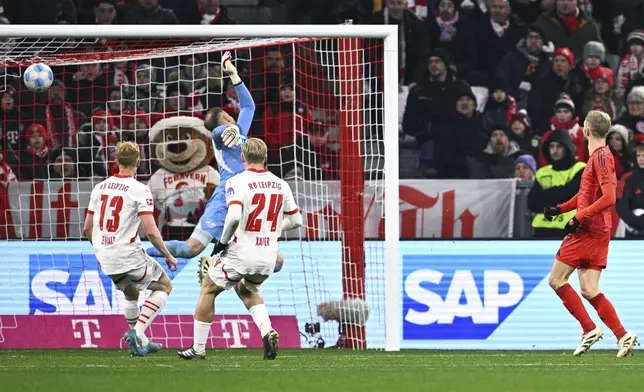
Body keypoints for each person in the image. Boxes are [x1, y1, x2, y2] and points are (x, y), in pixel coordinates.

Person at [177, 138, 302, 360]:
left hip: (240, 252)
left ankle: (197, 348)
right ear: (265, 158)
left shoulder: (237, 181)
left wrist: (222, 241)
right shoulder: (281, 184)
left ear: (243, 157)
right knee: (247, 290)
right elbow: (296, 221)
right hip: (267, 257)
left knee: (208, 288)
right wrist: (270, 230)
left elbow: (234, 216)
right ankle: (267, 330)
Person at [543, 110, 637, 357]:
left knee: (556, 280)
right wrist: (561, 209)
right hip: (598, 230)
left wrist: (578, 218)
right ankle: (623, 335)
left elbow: (608, 198)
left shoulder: (602, 158)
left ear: (585, 130)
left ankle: (588, 329)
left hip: (588, 229)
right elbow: (587, 194)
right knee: (588, 288)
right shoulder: (597, 157)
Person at [82, 141, 178, 357]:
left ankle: (141, 342)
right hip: (128, 254)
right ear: (138, 162)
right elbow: (151, 232)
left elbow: (87, 227)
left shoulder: (100, 187)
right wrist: (168, 255)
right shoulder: (140, 190)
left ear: (116, 161)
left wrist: (100, 250)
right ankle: (137, 332)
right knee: (164, 286)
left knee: (131, 292)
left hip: (105, 255)